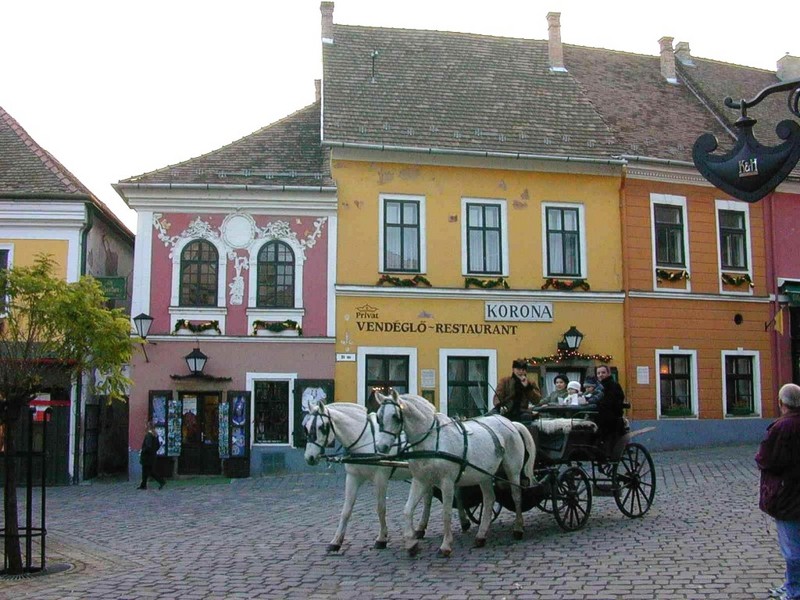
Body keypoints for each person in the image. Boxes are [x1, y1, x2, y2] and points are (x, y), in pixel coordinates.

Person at [756, 383, 800, 600]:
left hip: (786, 494)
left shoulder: (781, 427)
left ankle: (794, 590)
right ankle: (791, 583)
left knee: (791, 548)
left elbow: (765, 459)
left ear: (782, 403)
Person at [594, 365, 626, 441]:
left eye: (603, 372)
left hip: (611, 419)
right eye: (598, 373)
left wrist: (598, 404)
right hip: (602, 416)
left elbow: (610, 401)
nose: (600, 375)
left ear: (608, 373)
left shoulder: (613, 385)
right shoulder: (598, 386)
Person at [139, 420, 166, 490]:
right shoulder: (155, 435)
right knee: (146, 471)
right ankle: (143, 485)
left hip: (147, 456)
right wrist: (154, 451)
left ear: (148, 427)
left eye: (146, 426)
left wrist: (143, 451)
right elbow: (158, 445)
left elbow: (148, 446)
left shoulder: (149, 435)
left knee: (149, 471)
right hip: (152, 456)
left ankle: (161, 481)